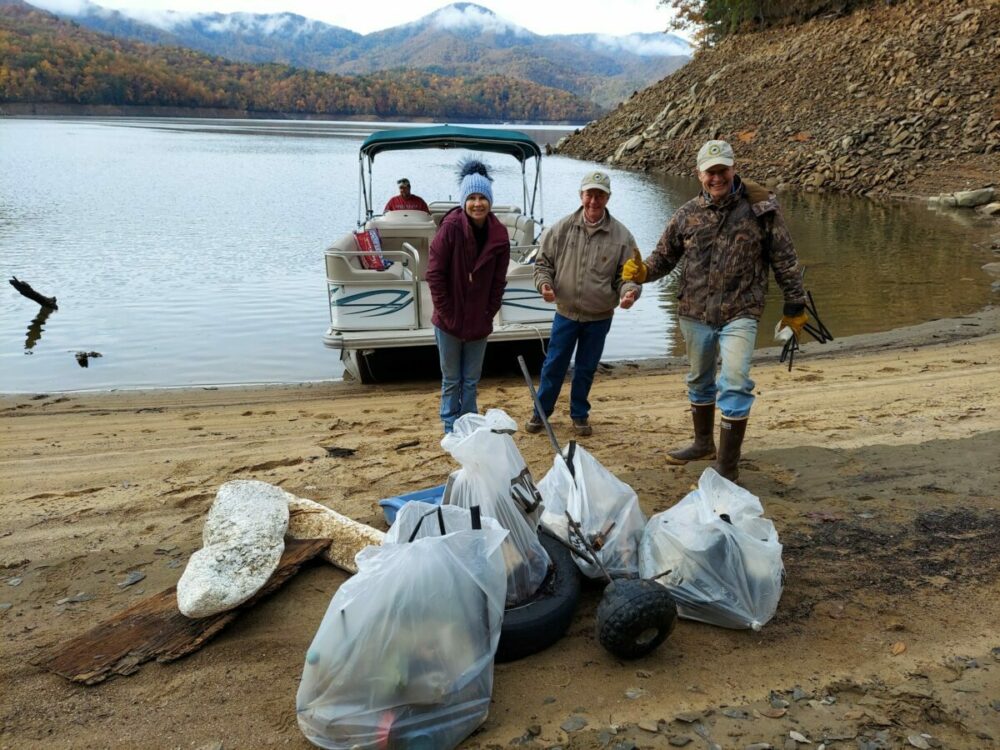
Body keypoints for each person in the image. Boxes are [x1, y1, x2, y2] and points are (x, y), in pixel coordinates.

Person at [620, 139, 808, 482]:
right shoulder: (686, 214)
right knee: (698, 380)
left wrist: (795, 303)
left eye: (722, 170)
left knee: (735, 381)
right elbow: (664, 257)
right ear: (699, 174)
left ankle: (728, 465)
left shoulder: (762, 209)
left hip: (742, 311)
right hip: (694, 311)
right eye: (710, 172)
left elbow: (785, 258)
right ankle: (703, 443)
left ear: (733, 169)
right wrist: (643, 274)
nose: (716, 178)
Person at [526, 170, 638, 437]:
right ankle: (541, 413)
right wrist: (545, 285)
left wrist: (630, 293)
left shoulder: (622, 237)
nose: (594, 201)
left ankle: (579, 415)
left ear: (608, 198)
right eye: (590, 194)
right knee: (553, 365)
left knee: (586, 369)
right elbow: (542, 265)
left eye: (600, 195)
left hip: (599, 317)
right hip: (565, 313)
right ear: (581, 195)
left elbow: (629, 276)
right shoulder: (560, 229)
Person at [425, 160, 510, 433]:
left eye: (482, 197)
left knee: (471, 380)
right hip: (449, 319)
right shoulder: (450, 228)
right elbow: (435, 274)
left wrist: (489, 313)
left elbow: (498, 281)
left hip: (479, 320)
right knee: (451, 379)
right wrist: (448, 313)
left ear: (490, 201)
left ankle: (469, 422)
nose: (477, 203)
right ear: (463, 201)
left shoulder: (499, 235)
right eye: (471, 198)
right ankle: (450, 426)